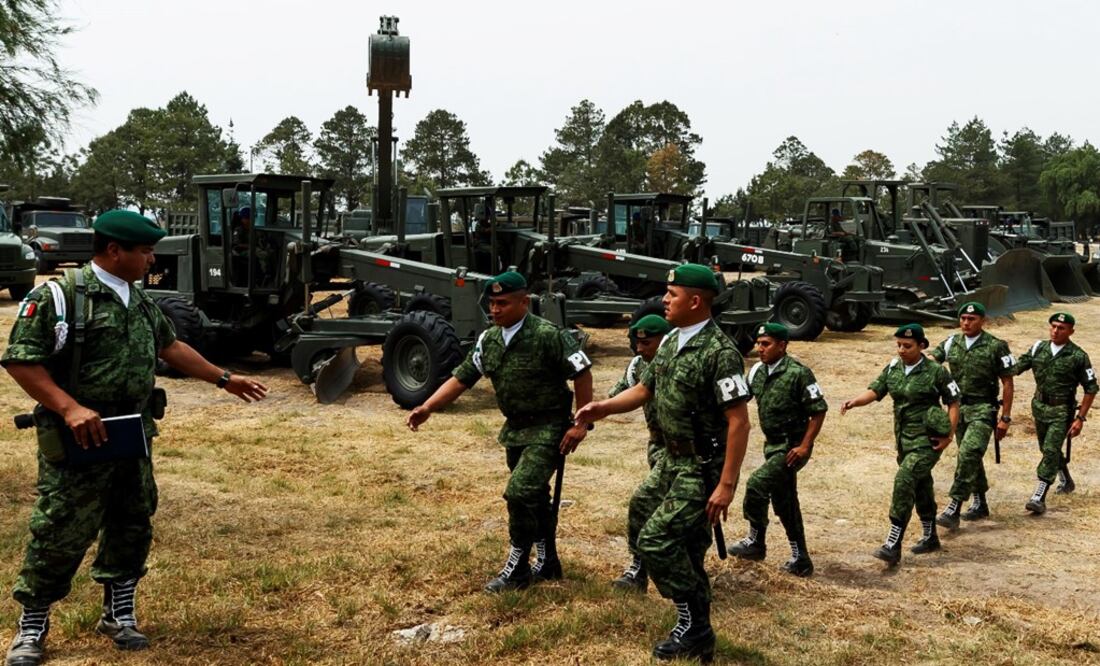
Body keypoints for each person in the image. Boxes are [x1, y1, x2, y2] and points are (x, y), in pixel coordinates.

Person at [2, 210, 269, 666]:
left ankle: (118, 613)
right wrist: (69, 408)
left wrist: (224, 379)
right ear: (113, 251)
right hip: (79, 437)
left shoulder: (142, 301)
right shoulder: (60, 297)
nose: (150, 259)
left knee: (132, 521)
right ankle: (32, 625)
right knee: (59, 530)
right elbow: (21, 360)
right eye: (144, 251)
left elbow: (170, 347)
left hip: (131, 434)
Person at [575, 264, 751, 663]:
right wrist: (601, 408)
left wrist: (726, 486)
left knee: (656, 539)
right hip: (671, 460)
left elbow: (739, 421)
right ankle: (697, 630)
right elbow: (643, 389)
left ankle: (694, 625)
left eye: (672, 294)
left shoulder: (720, 353)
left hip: (700, 466)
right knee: (646, 517)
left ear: (694, 301)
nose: (665, 300)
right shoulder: (671, 343)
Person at [405, 271, 593, 593]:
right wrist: (428, 407)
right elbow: (462, 377)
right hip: (515, 430)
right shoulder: (488, 339)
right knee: (535, 497)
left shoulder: (548, 335)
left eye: (503, 303)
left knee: (520, 492)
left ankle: (517, 567)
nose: (495, 310)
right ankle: (548, 562)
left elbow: (582, 371)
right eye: (491, 303)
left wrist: (581, 424)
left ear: (524, 302)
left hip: (548, 428)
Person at [841, 324, 959, 567]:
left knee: (905, 480)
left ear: (922, 346)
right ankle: (930, 537)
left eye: (908, 346)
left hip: (927, 440)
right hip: (903, 440)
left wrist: (949, 436)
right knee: (922, 484)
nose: (902, 350)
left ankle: (893, 543)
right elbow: (876, 390)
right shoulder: (894, 367)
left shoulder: (936, 372)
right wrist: (854, 402)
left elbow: (954, 402)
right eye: (898, 345)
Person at [727, 322, 827, 577]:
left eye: (766, 344)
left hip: (792, 447)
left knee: (757, 484)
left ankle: (756, 541)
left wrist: (805, 446)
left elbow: (818, 411)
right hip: (772, 446)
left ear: (782, 346)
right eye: (759, 343)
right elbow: (741, 399)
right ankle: (800, 557)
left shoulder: (799, 373)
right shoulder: (757, 371)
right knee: (784, 500)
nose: (760, 349)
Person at [929, 302, 1015, 528]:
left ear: (982, 321)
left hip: (983, 409)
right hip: (958, 410)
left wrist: (1005, 418)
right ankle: (980, 503)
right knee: (972, 457)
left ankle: (954, 505)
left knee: (968, 452)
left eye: (972, 319)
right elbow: (931, 362)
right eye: (963, 319)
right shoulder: (951, 342)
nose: (966, 323)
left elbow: (1007, 382)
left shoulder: (996, 346)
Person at [608, 313, 671, 592]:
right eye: (637, 343)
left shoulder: (677, 361)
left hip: (686, 451)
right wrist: (592, 409)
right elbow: (621, 392)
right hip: (658, 447)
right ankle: (639, 568)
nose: (640, 349)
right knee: (656, 506)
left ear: (662, 340)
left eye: (647, 343)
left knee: (650, 504)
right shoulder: (638, 365)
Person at [1014, 312, 1097, 514]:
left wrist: (1080, 418)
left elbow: (1091, 388)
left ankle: (1039, 495)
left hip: (1062, 410)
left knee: (1051, 450)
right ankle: (1066, 480)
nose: (1055, 331)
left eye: (1061, 328)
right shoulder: (1038, 348)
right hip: (1039, 407)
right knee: (1046, 449)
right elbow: (1016, 367)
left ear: (1071, 331)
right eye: (1053, 326)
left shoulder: (1078, 356)